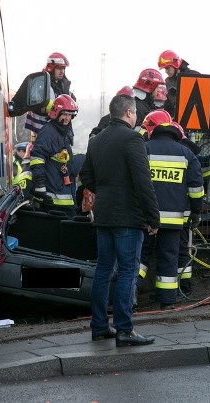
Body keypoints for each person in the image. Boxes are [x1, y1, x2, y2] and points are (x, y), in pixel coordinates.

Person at [79, 94, 159, 347]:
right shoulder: (133, 138)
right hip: (128, 217)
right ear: (128, 113)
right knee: (127, 271)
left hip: (104, 216)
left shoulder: (97, 140)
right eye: (135, 113)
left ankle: (100, 326)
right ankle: (125, 329)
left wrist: (106, 191)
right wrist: (153, 216)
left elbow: (86, 177)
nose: (136, 117)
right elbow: (143, 181)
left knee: (103, 271)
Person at [136, 111, 203, 310]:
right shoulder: (186, 154)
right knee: (169, 257)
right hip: (174, 221)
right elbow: (196, 190)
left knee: (140, 257)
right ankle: (167, 301)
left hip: (146, 218)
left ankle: (129, 298)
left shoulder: (144, 150)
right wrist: (196, 213)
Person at [29, 94, 78, 218]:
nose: (68, 118)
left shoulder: (62, 132)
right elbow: (37, 158)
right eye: (65, 114)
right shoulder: (48, 132)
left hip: (63, 197)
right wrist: (40, 187)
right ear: (56, 113)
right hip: (53, 200)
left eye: (70, 115)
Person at [24, 52, 76, 135]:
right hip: (42, 129)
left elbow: (72, 105)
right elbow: (36, 106)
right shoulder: (40, 84)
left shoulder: (64, 85)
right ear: (51, 68)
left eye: (63, 68)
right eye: (59, 68)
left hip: (58, 130)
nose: (62, 71)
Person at [157, 50, 200, 116]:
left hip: (196, 117)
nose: (166, 71)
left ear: (175, 65)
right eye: (165, 69)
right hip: (178, 120)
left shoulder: (195, 77)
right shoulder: (168, 82)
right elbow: (168, 106)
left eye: (167, 68)